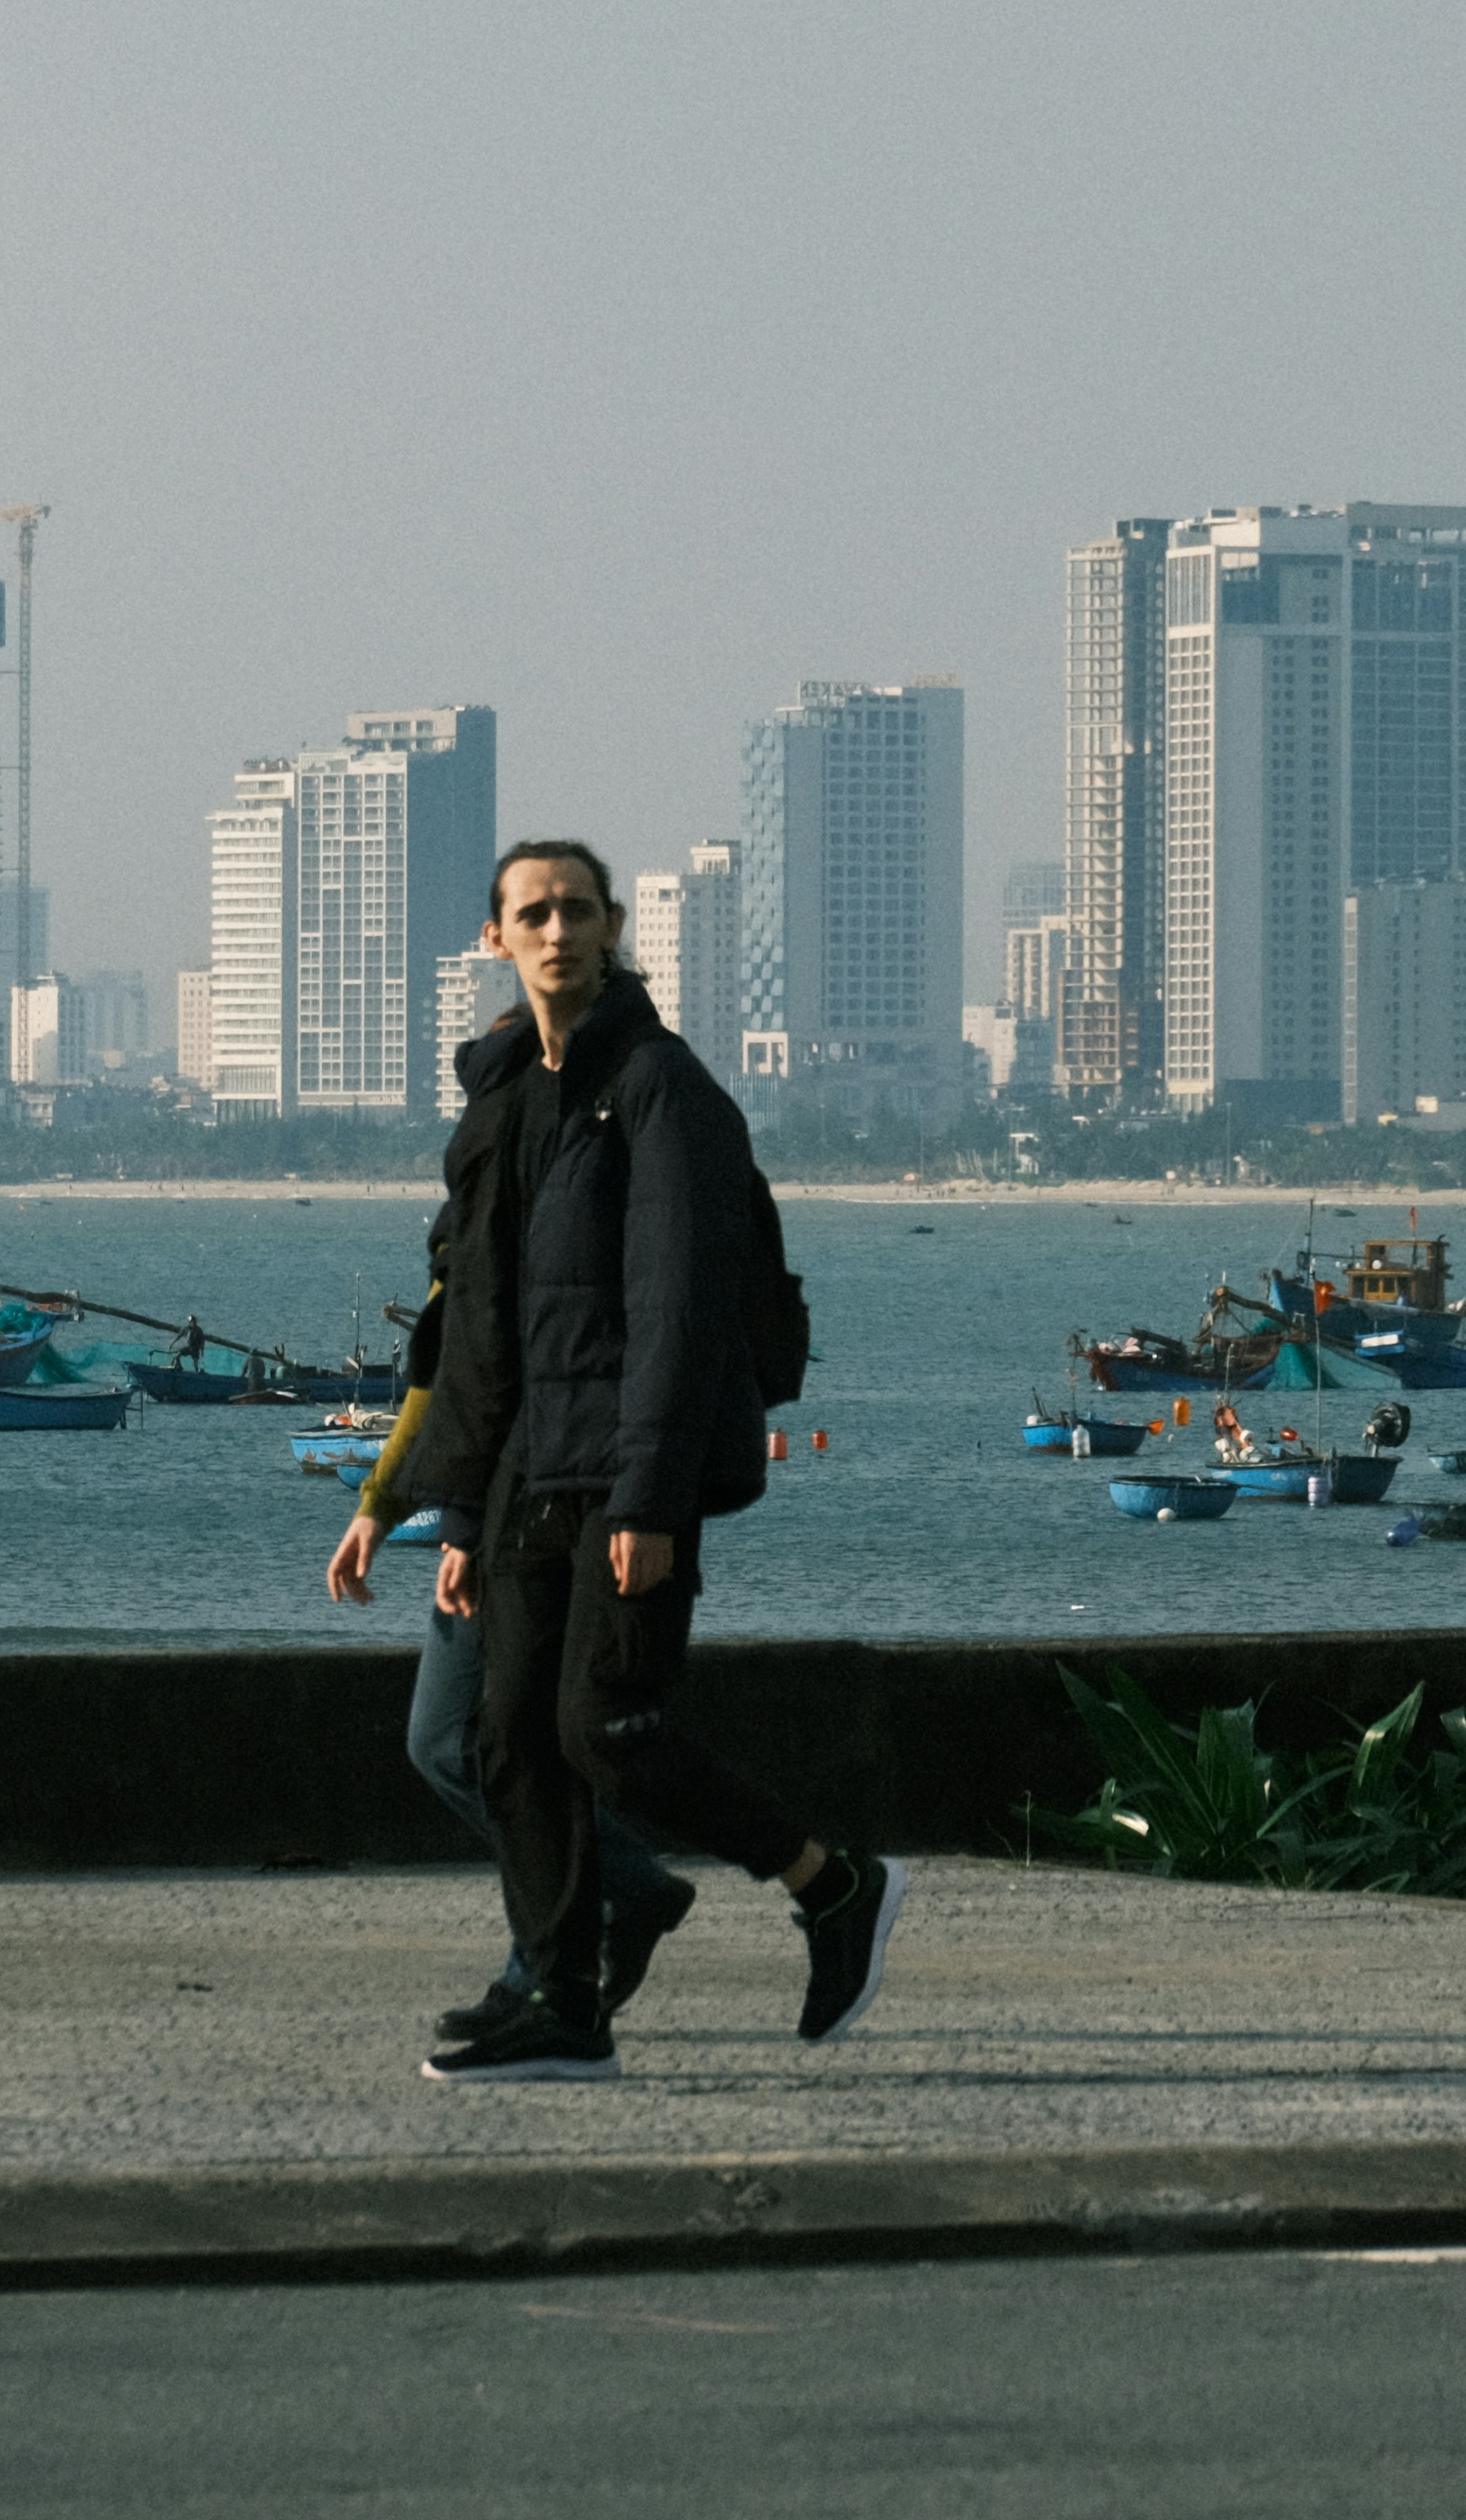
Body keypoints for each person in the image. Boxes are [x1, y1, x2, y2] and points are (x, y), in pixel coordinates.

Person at [369, 835, 902, 2085]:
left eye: (578, 910)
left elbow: (679, 1307)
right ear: (495, 939)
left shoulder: (662, 1088)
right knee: (507, 1743)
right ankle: (562, 2001)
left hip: (618, 1478)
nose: (557, 931)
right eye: (532, 913)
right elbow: (479, 1325)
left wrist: (651, 1494)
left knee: (605, 1730)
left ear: (611, 927)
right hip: (517, 1483)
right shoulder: (505, 1096)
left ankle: (831, 1885)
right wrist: (451, 1516)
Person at [326, 1310, 698, 2039]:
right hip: (500, 1506)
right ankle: (600, 1907)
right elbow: (452, 1379)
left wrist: (409, 1508)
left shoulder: (504, 1211)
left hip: (526, 1509)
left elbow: (478, 1379)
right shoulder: (477, 1215)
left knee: (479, 1742)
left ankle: (559, 1947)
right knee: (474, 1742)